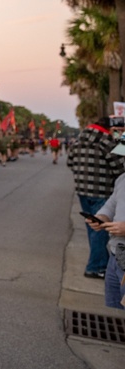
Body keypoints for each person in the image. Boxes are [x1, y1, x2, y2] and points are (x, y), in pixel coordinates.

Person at [67, 116, 125, 278]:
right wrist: (122, 139)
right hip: (103, 191)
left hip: (82, 190)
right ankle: (96, 266)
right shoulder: (107, 142)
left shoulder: (78, 141)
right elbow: (119, 166)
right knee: (101, 230)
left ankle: (102, 262)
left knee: (94, 227)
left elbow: (69, 163)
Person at [88, 170, 125, 309]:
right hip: (118, 252)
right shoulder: (122, 178)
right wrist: (102, 217)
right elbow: (112, 204)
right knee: (116, 307)